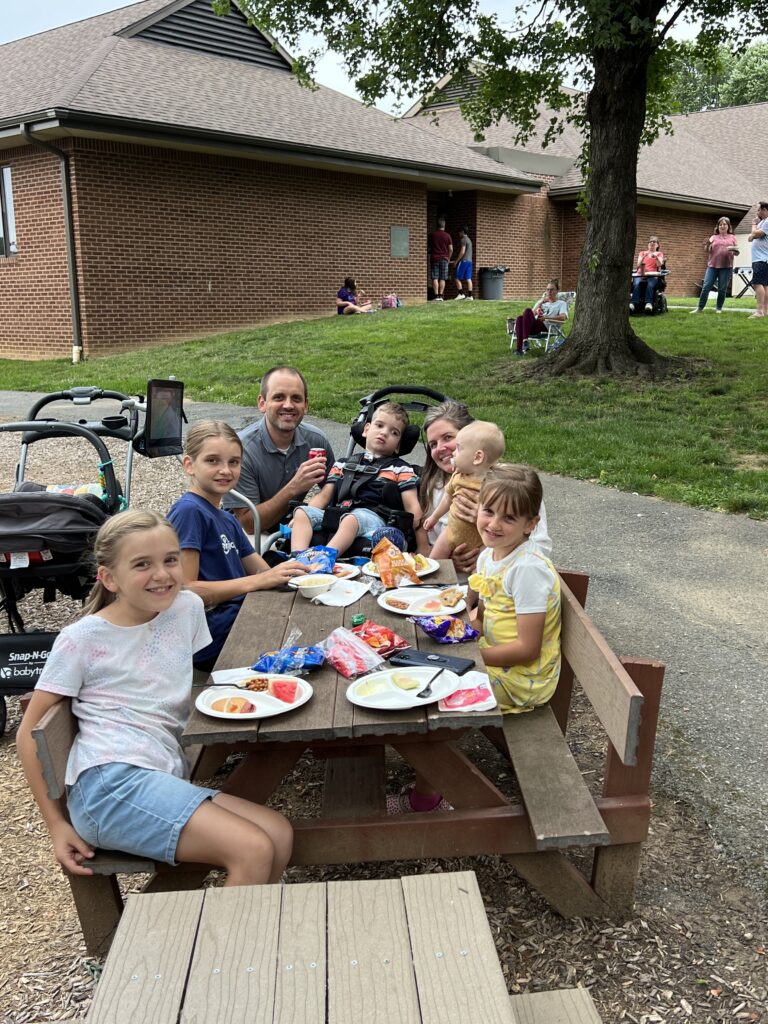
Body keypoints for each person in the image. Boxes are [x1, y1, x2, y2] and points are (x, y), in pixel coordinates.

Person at [16, 510, 293, 886]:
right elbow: (27, 734)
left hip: (160, 771)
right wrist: (56, 826)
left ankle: (241, 935)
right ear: (109, 578)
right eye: (142, 564)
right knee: (253, 848)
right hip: (109, 785)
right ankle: (231, 945)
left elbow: (172, 682)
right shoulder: (83, 639)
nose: (162, 575)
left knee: (278, 833)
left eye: (170, 560)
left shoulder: (186, 608)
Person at [168, 421, 309, 671]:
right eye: (213, 461)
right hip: (212, 633)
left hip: (239, 615)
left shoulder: (227, 518)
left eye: (233, 462)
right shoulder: (189, 511)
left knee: (311, 615)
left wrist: (301, 572)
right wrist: (257, 582)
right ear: (189, 465)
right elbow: (185, 590)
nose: (225, 470)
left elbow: (264, 572)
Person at [468, 464, 561, 714]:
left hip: (521, 681)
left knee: (438, 683)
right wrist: (469, 633)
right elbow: (482, 616)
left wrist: (472, 655)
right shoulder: (488, 556)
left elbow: (527, 649)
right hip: (497, 660)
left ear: (530, 524)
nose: (494, 524)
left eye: (508, 518)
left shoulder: (527, 569)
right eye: (488, 511)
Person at [418, 401, 552, 574]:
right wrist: (451, 563)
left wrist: (489, 521)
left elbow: (540, 548)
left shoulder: (511, 486)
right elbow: (434, 546)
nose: (440, 448)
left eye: (448, 438)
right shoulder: (434, 486)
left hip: (494, 584)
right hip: (449, 583)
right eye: (433, 444)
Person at [290, 402, 422, 556]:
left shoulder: (401, 469)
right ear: (366, 429)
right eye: (379, 425)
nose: (384, 433)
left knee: (351, 519)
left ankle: (325, 558)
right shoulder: (342, 464)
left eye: (394, 432)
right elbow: (324, 496)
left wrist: (420, 543)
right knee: (301, 512)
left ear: (398, 445)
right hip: (339, 514)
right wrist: (308, 513)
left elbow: (413, 508)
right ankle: (298, 558)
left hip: (375, 521)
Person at [221, 366, 334, 534]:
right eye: (279, 397)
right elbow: (250, 524)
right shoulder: (239, 450)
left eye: (296, 398)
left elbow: (336, 486)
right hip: (243, 534)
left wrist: (310, 510)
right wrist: (294, 487)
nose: (288, 405)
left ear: (306, 405)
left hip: (291, 526)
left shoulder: (316, 441)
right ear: (262, 403)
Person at [423, 420, 506, 560]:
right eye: (433, 444)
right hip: (451, 533)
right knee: (435, 562)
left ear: (478, 457)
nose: (454, 453)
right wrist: (434, 517)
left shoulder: (497, 483)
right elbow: (447, 498)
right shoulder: (458, 477)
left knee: (481, 571)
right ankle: (431, 580)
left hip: (481, 542)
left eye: (458, 447)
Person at [690, 217, 739, 314]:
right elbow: (707, 250)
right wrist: (707, 244)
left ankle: (719, 308)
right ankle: (700, 308)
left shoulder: (733, 237)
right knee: (706, 286)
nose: (722, 226)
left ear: (728, 226)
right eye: (720, 224)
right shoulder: (713, 237)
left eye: (725, 224)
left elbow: (737, 253)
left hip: (726, 266)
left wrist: (734, 250)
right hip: (712, 266)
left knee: (722, 288)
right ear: (718, 226)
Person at [512, 283, 569, 356]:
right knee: (521, 318)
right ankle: (522, 346)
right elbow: (529, 315)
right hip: (534, 326)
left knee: (523, 315)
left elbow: (562, 317)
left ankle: (522, 346)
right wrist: (541, 302)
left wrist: (546, 318)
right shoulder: (542, 303)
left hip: (547, 326)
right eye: (547, 289)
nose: (549, 291)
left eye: (552, 289)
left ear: (557, 291)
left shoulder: (561, 303)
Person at [630, 236, 665, 313]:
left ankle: (648, 303)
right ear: (648, 244)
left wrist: (655, 257)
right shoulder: (642, 253)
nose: (652, 243)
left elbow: (659, 264)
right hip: (641, 273)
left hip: (652, 275)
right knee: (637, 283)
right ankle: (633, 303)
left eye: (654, 242)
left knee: (650, 284)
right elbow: (638, 265)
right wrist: (644, 257)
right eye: (650, 242)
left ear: (657, 245)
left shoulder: (659, 254)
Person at [747, 201, 768, 318]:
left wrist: (753, 224)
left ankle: (759, 311)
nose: (757, 212)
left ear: (764, 210)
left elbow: (755, 233)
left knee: (757, 283)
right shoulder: (763, 222)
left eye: (759, 209)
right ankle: (765, 311)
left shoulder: (767, 222)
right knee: (765, 285)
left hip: (762, 259)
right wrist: (753, 233)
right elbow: (751, 237)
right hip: (760, 258)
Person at [429, 216, 453, 301]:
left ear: (437, 225)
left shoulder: (433, 235)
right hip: (444, 259)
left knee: (435, 277)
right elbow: (451, 249)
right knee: (443, 277)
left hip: (434, 258)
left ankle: (435, 296)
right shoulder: (448, 236)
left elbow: (429, 246)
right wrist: (448, 258)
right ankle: (440, 296)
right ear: (444, 226)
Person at [451, 226, 474, 300]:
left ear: (462, 232)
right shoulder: (469, 240)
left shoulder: (463, 240)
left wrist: (456, 261)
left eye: (459, 231)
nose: (458, 233)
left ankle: (461, 294)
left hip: (463, 261)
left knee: (457, 278)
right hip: (469, 261)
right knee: (468, 278)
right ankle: (470, 296)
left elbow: (462, 251)